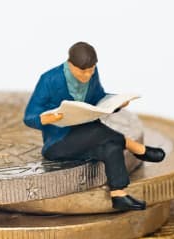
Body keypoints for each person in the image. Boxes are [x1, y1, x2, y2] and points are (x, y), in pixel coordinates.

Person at [23, 42, 165, 211]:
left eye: (92, 69)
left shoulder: (92, 73)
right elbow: (29, 116)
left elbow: (99, 98)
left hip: (88, 137)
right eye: (83, 71)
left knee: (111, 146)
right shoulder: (49, 79)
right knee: (97, 131)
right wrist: (45, 119)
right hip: (59, 142)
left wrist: (116, 103)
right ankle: (138, 149)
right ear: (70, 64)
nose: (88, 75)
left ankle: (118, 194)